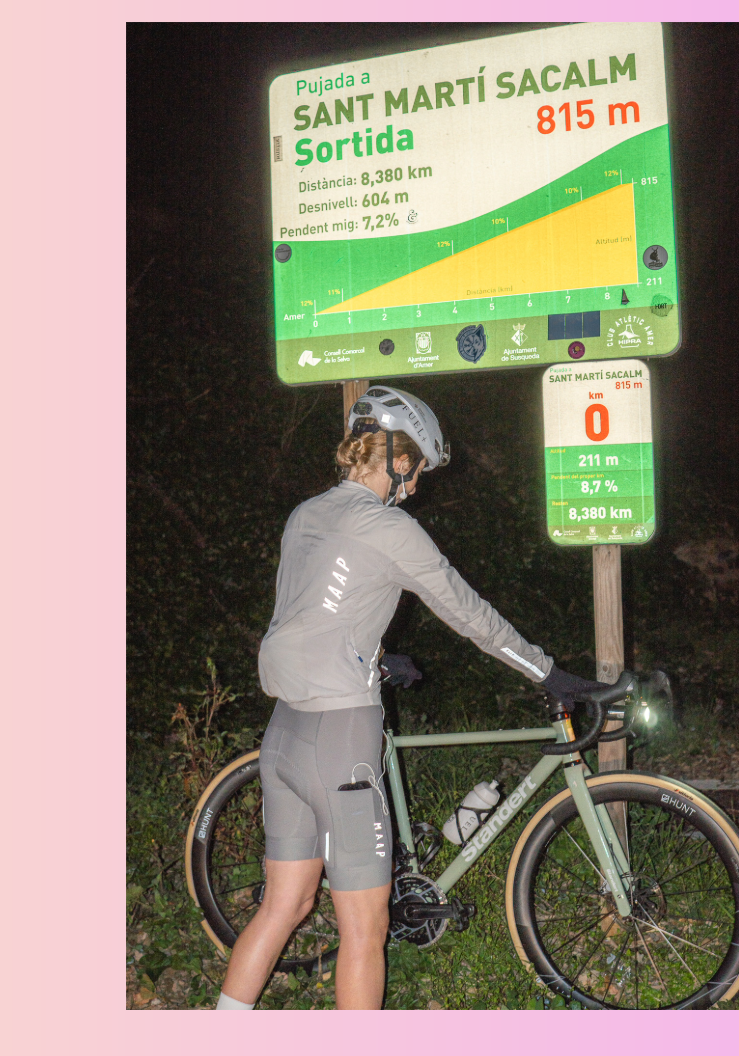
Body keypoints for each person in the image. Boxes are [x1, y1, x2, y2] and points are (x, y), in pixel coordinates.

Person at [214, 386, 599, 1010]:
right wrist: (549, 673)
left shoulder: (305, 514)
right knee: (366, 931)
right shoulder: (391, 528)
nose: (417, 485)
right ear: (398, 457)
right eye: (418, 468)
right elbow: (468, 614)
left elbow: (306, 613)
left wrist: (370, 653)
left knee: (283, 906)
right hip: (340, 742)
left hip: (281, 737)